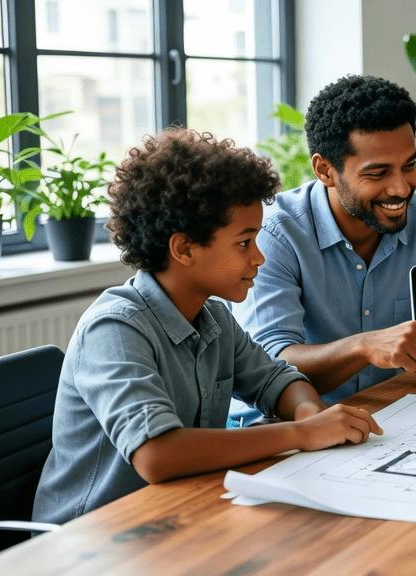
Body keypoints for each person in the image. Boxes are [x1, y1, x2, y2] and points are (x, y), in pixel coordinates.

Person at [32, 129, 382, 525]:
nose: (259, 258)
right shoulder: (114, 329)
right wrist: (301, 434)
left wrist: (307, 413)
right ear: (184, 248)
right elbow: (156, 455)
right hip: (90, 536)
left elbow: (276, 380)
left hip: (175, 514)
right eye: (244, 243)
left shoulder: (213, 317)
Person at [230, 75, 416, 423]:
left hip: (393, 414)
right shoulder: (275, 234)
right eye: (378, 173)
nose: (401, 188)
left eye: (409, 165)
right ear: (325, 170)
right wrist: (365, 347)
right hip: (285, 425)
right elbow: (270, 368)